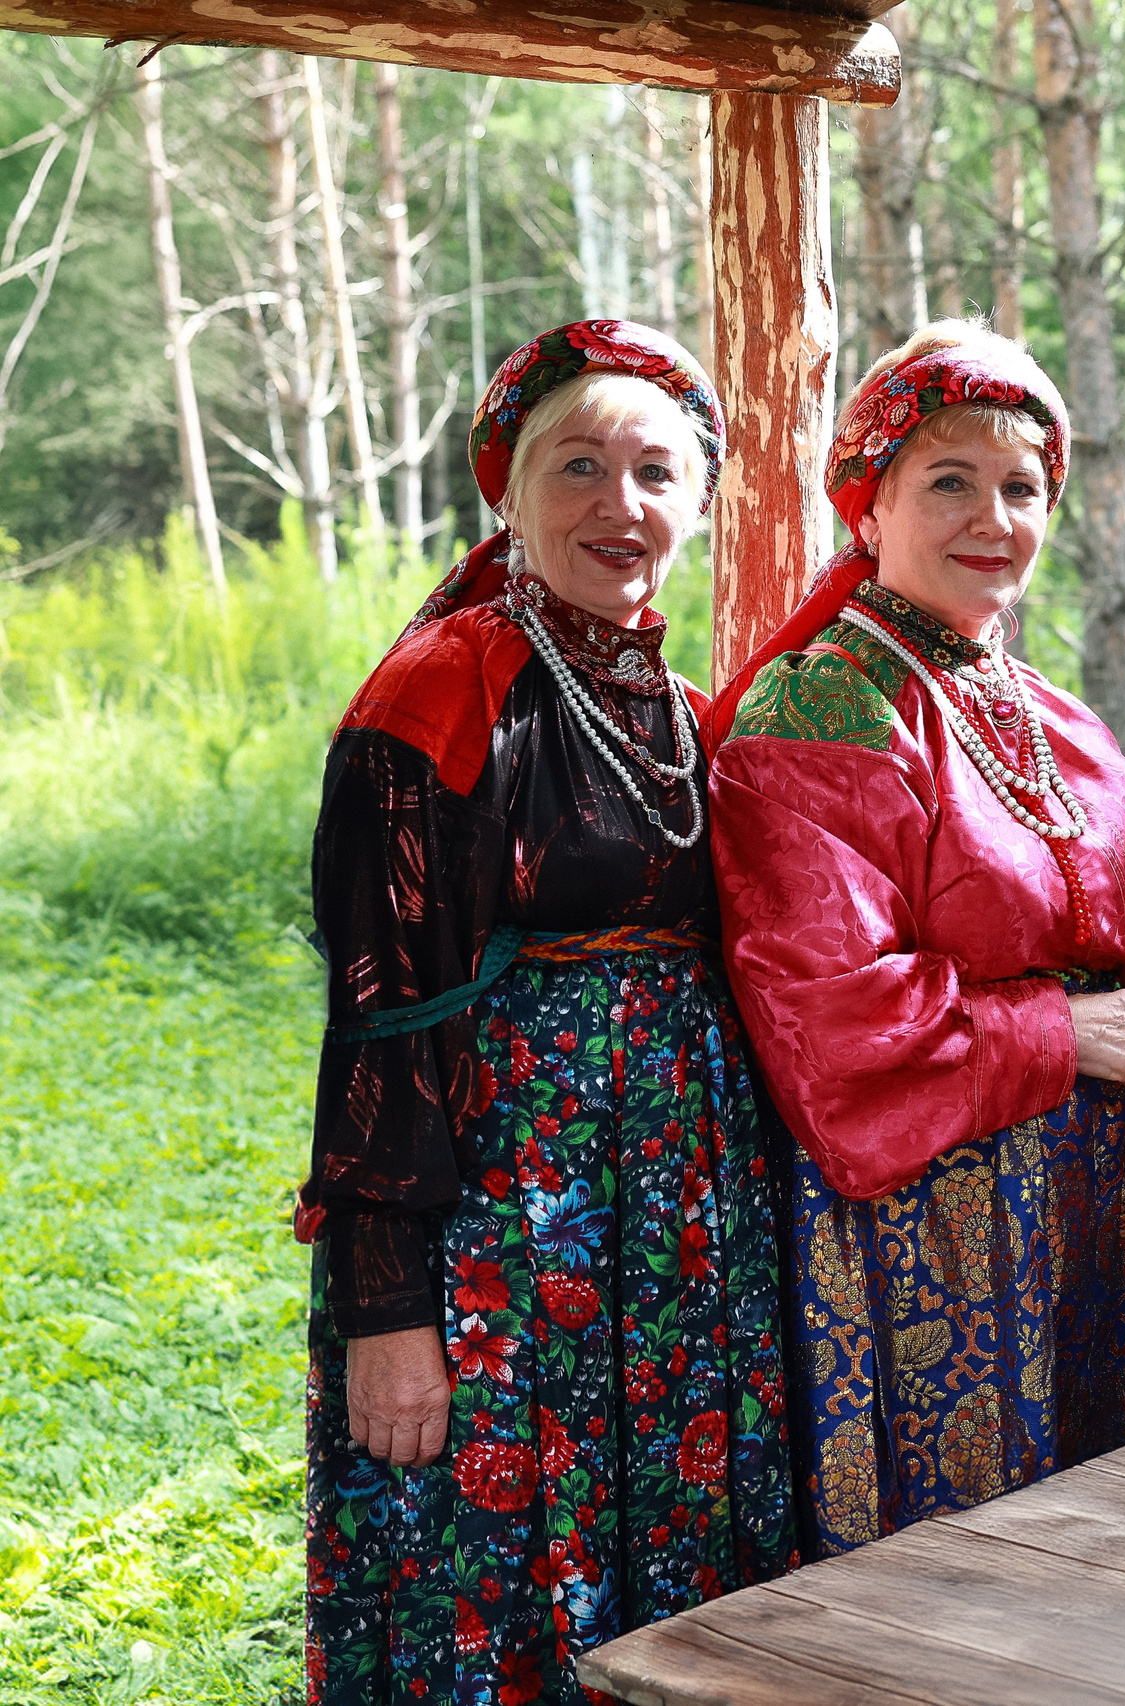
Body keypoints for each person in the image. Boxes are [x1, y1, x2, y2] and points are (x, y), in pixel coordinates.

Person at [298, 320, 795, 1703]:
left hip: (670, 1228)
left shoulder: (680, 704)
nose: (618, 504)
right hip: (504, 1230)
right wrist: (388, 1312)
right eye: (577, 466)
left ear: (697, 504)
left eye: (655, 473)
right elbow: (380, 1017)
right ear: (508, 493)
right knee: (496, 1562)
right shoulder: (442, 690)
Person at [703, 321, 1125, 1556]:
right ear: (869, 505)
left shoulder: (1045, 709)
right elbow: (828, 1016)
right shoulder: (822, 703)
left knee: (1111, 1549)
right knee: (966, 1567)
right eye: (950, 482)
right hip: (936, 1218)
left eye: (1022, 488)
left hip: (1081, 1197)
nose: (994, 518)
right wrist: (1062, 1031)